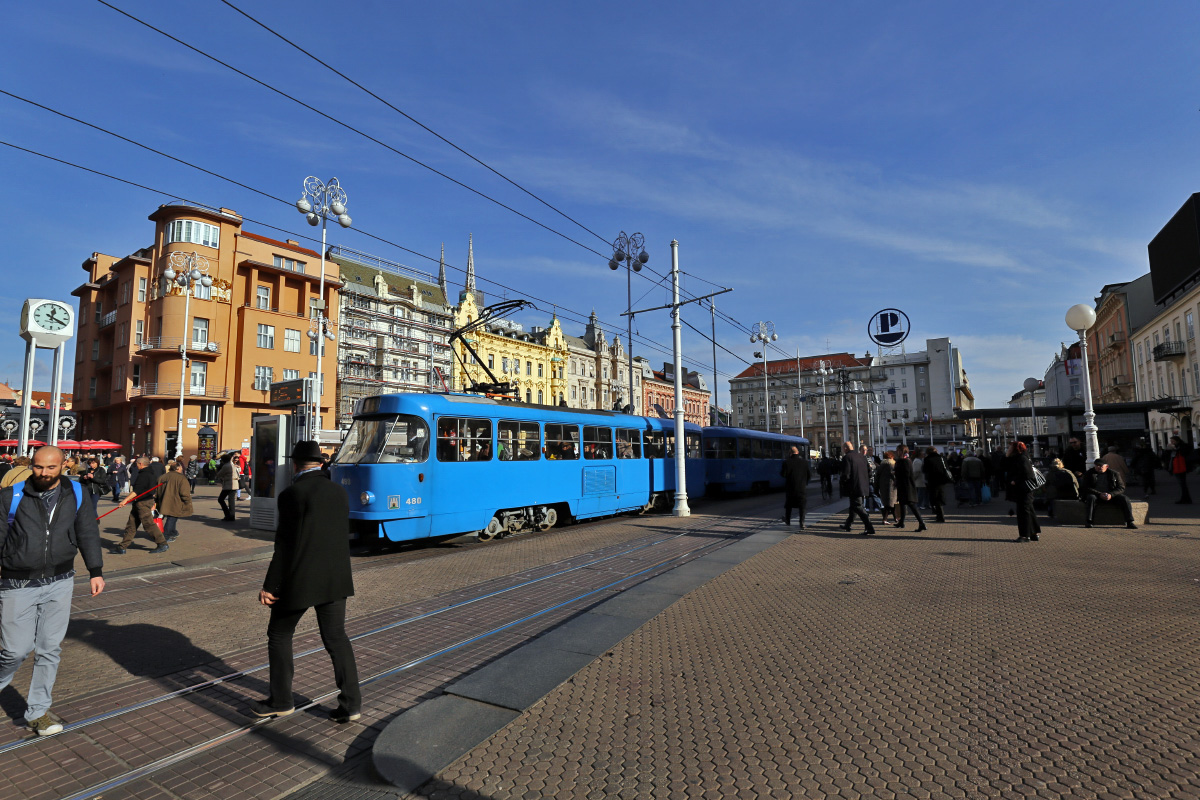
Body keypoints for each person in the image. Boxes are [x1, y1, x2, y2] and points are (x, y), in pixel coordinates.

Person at [252, 441, 361, 724]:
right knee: (337, 639)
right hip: (335, 578)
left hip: (300, 579)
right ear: (321, 463)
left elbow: (285, 545)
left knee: (279, 635)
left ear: (296, 464)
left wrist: (270, 586)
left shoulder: (292, 494)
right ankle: (351, 705)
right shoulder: (339, 492)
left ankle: (281, 700)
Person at [0, 446, 105, 736]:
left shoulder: (78, 493)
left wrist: (95, 570)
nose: (43, 473)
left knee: (49, 649)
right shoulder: (11, 496)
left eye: (51, 468)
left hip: (60, 581)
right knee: (15, 650)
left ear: (63, 466)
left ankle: (38, 712)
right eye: (38, 467)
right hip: (17, 583)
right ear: (31, 465)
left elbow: (87, 531)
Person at [115, 457, 168, 554]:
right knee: (132, 524)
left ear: (141, 464)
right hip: (140, 501)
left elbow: (137, 491)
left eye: (137, 464)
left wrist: (125, 500)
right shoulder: (150, 473)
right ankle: (123, 546)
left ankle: (162, 543)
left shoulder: (145, 474)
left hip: (143, 502)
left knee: (148, 524)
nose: (136, 465)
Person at [1081, 459, 1136, 529]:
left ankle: (1129, 521)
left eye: (1100, 466)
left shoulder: (1114, 474)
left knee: (1125, 499)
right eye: (1096, 465)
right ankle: (1089, 521)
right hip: (1096, 495)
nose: (1098, 467)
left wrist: (1111, 494)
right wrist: (1099, 494)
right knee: (1091, 498)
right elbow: (1086, 487)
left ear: (1106, 466)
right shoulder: (1089, 473)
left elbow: (1121, 487)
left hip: (1110, 495)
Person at [1005, 442, 1041, 542]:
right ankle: (1034, 533)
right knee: (1029, 510)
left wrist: (1015, 481)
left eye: (1010, 447)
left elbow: (1027, 473)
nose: (1008, 449)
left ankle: (1025, 535)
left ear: (1016, 449)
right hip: (1024, 489)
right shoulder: (1021, 458)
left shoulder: (1021, 458)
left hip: (1023, 489)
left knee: (1023, 511)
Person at [840, 442, 876, 535]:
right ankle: (848, 524)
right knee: (853, 506)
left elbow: (846, 474)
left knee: (858, 506)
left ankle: (870, 527)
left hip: (853, 486)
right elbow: (869, 471)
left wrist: (843, 483)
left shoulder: (847, 458)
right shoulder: (862, 457)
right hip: (863, 485)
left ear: (845, 449)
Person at [154, 461, 193, 543]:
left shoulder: (162, 477)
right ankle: (166, 535)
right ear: (178, 468)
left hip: (163, 500)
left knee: (172, 517)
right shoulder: (181, 478)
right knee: (172, 517)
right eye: (181, 468)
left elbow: (156, 491)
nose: (182, 469)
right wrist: (187, 501)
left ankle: (173, 531)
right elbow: (184, 493)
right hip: (175, 501)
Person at [893, 445, 927, 531]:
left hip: (906, 486)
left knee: (911, 505)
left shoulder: (905, 461)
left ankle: (921, 523)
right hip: (903, 486)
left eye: (898, 450)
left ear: (902, 451)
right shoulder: (902, 460)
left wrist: (896, 474)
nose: (897, 452)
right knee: (902, 504)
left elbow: (906, 474)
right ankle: (901, 522)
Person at [779, 446, 810, 528]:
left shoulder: (786, 462)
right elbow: (809, 475)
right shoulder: (805, 462)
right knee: (802, 505)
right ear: (798, 452)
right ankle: (802, 522)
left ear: (790, 453)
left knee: (789, 504)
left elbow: (783, 474)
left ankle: (788, 520)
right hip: (801, 487)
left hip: (790, 487)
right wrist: (804, 483)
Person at [922, 447, 950, 523]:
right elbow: (946, 468)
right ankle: (940, 514)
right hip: (942, 480)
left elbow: (925, 470)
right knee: (940, 497)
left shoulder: (927, 459)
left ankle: (939, 515)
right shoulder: (942, 458)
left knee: (934, 498)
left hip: (932, 481)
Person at [874, 451, 897, 526]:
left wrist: (876, 488)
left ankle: (895, 517)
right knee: (890, 504)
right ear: (891, 457)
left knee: (890, 503)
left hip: (883, 486)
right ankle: (885, 519)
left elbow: (877, 476)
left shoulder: (881, 465)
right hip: (892, 487)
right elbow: (894, 476)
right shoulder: (892, 465)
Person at [1169, 436, 1192, 504]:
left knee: (1182, 484)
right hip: (1177, 467)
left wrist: (1175, 449)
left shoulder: (1181, 447)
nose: (1172, 443)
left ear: (1177, 441)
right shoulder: (1178, 447)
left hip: (1181, 467)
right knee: (1182, 484)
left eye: (1173, 441)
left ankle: (1185, 499)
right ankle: (1186, 498)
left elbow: (1184, 454)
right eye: (1171, 441)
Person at [216, 453, 238, 521]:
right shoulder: (232, 465)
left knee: (221, 499)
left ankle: (227, 514)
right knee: (231, 500)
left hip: (228, 485)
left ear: (223, 460)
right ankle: (232, 516)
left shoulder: (226, 466)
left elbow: (219, 474)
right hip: (235, 484)